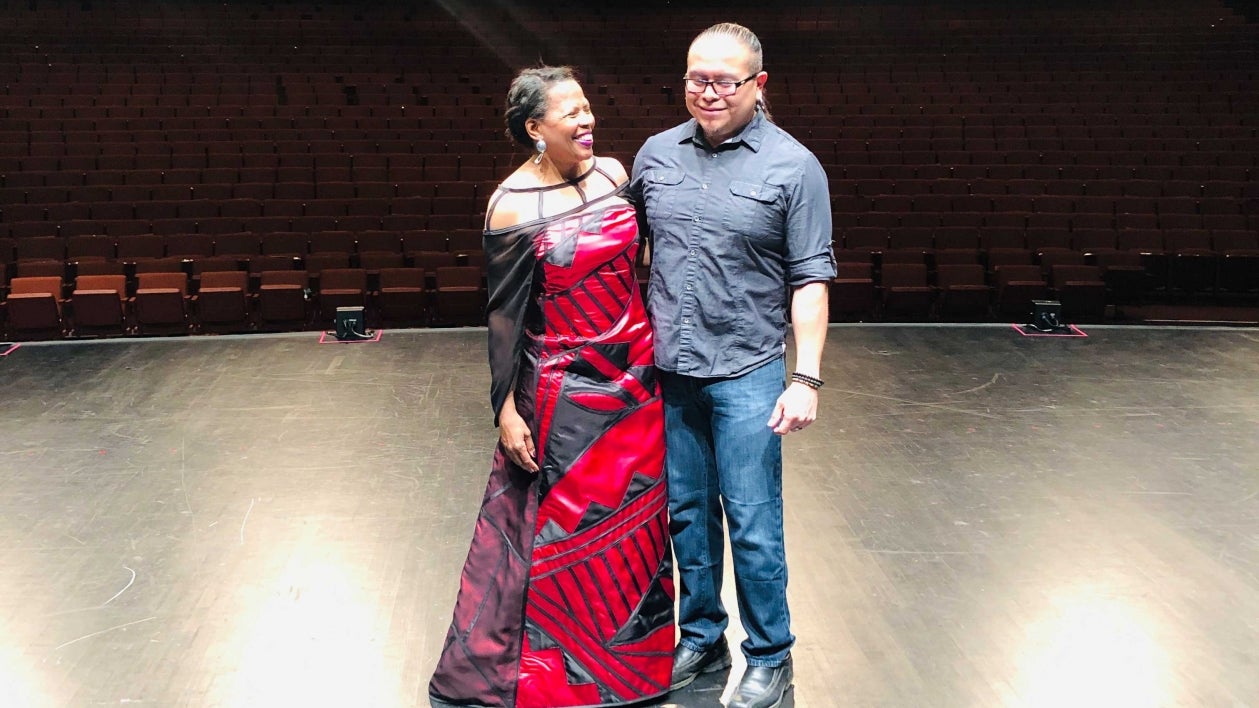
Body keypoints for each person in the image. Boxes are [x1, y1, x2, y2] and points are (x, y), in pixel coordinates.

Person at [428, 66, 674, 708]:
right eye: (570, 113)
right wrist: (505, 410)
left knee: (637, 525)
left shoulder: (618, 175)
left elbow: (642, 262)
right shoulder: (510, 205)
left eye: (588, 107)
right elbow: (504, 317)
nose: (586, 119)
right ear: (536, 128)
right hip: (564, 387)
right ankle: (561, 680)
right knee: (562, 532)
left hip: (637, 379)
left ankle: (632, 672)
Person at [629, 22, 834, 708]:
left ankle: (770, 655)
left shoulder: (793, 166)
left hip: (747, 369)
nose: (707, 92)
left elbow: (810, 279)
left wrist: (804, 377)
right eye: (696, 78)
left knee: (751, 519)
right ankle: (700, 635)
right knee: (686, 515)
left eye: (723, 80)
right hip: (671, 369)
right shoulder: (655, 155)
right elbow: (626, 251)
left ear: (758, 84)